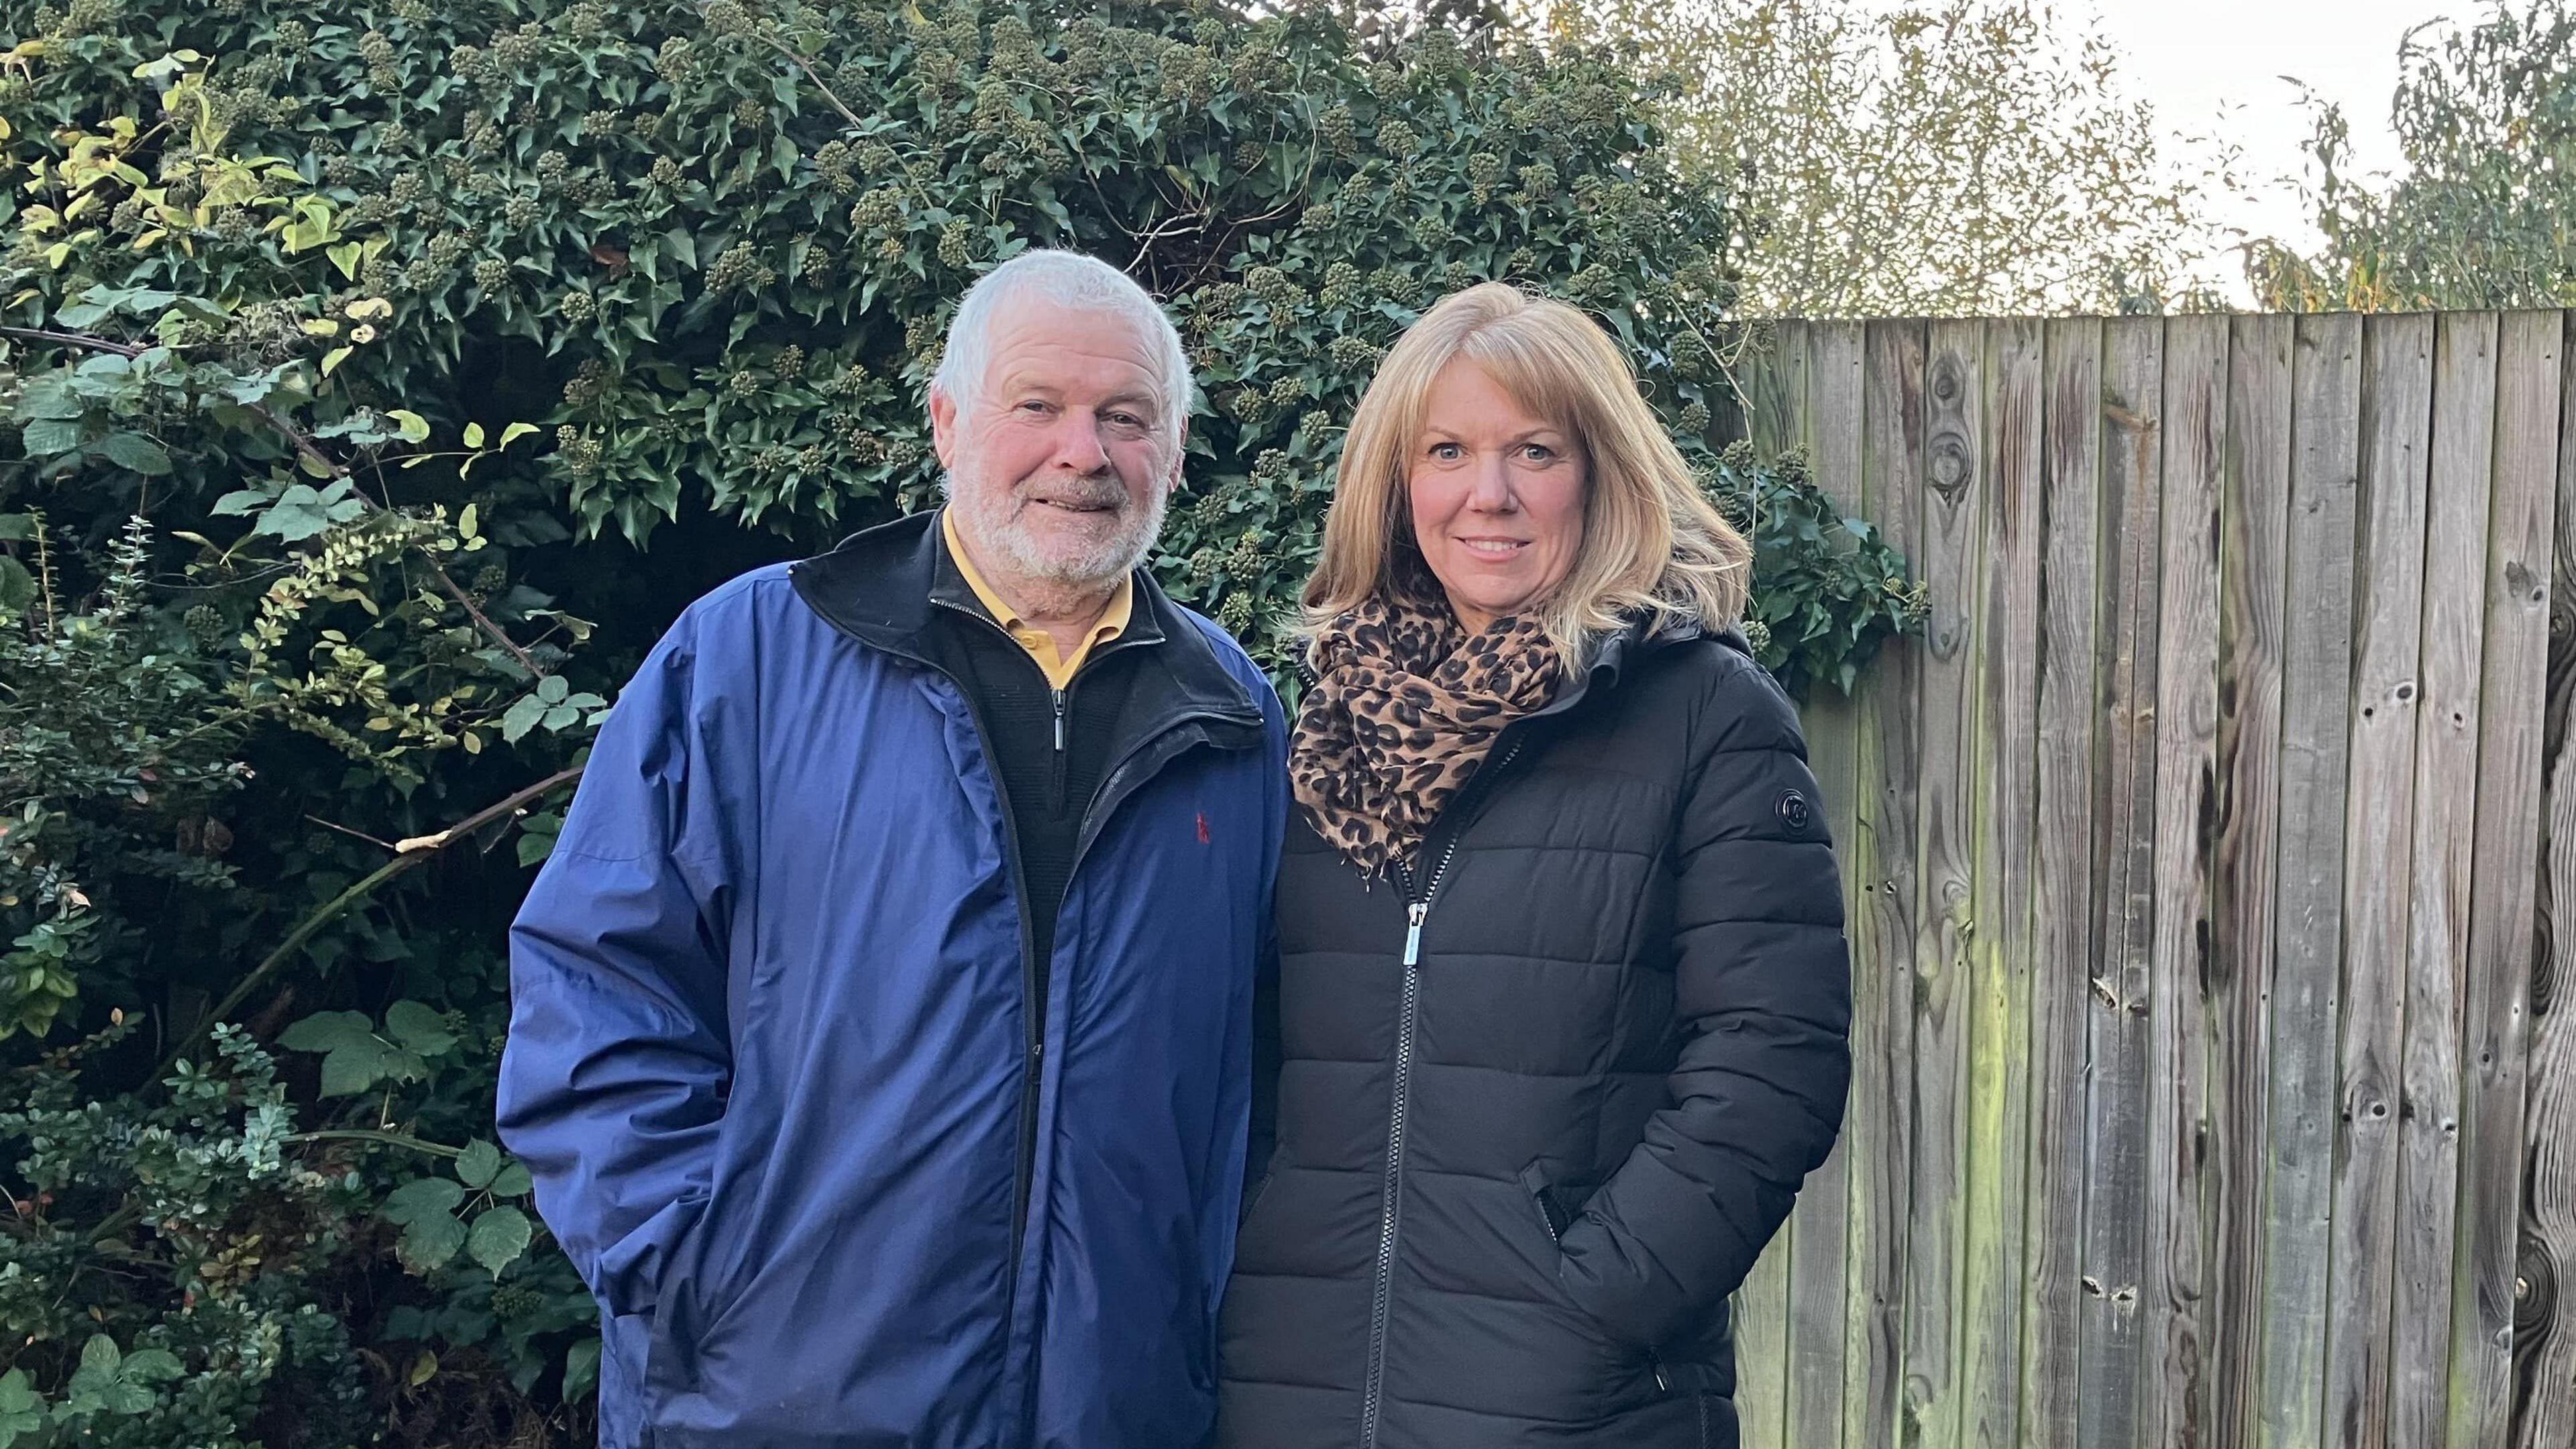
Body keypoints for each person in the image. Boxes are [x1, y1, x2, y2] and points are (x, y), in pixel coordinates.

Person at [498, 249, 1289, 1449]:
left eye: (1125, 418)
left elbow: (1269, 1068)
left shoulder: (1233, 719)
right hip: (770, 1398)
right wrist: (694, 1273)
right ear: (948, 421)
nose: (1083, 452)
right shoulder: (750, 659)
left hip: (1113, 1405)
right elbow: (594, 984)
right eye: (1038, 406)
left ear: (1173, 453)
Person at [1214, 283, 1851, 1449]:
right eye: (1447, 450)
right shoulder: (1332, 724)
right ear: (1399, 486)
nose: (1487, 493)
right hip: (1292, 1381)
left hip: (1575, 1402)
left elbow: (1776, 1060)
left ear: (1600, 472)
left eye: (1533, 451)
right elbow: (1256, 1046)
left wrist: (1598, 1298)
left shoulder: (1704, 711)